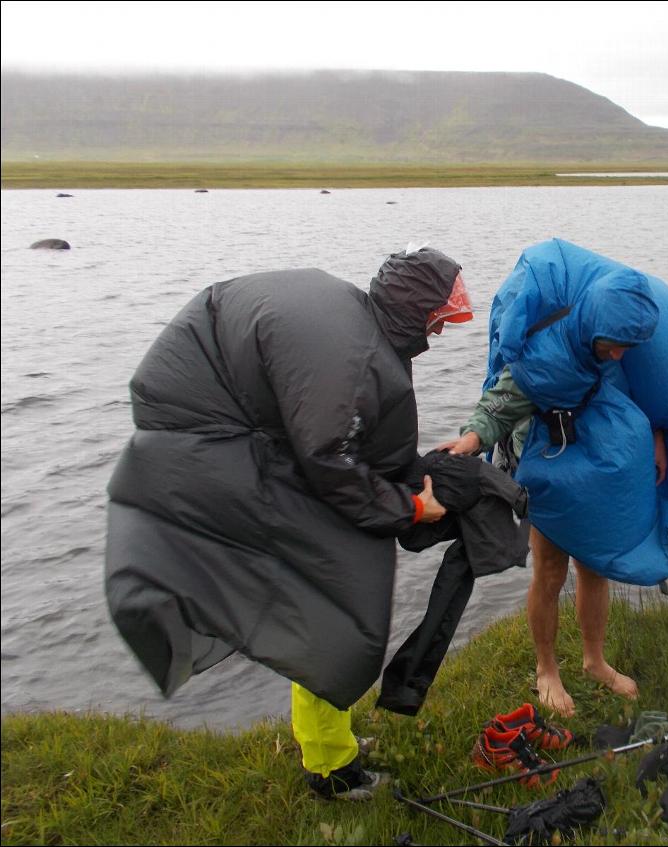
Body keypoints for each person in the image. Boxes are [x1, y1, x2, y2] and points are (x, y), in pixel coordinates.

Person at [105, 246, 477, 800]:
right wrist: (409, 509)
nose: (439, 332)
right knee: (331, 594)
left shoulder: (353, 322)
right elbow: (329, 457)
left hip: (225, 423)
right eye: (436, 319)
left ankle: (330, 738)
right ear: (410, 308)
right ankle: (330, 768)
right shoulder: (348, 354)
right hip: (211, 437)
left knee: (329, 580)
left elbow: (333, 432)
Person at [443, 239, 668, 720]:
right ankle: (547, 669)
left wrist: (656, 434)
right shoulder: (551, 352)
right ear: (593, 329)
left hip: (595, 458)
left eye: (628, 347)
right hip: (546, 454)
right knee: (550, 569)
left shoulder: (617, 344)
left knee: (595, 566)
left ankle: (594, 661)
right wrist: (469, 440)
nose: (619, 355)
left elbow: (644, 388)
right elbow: (503, 402)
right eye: (614, 346)